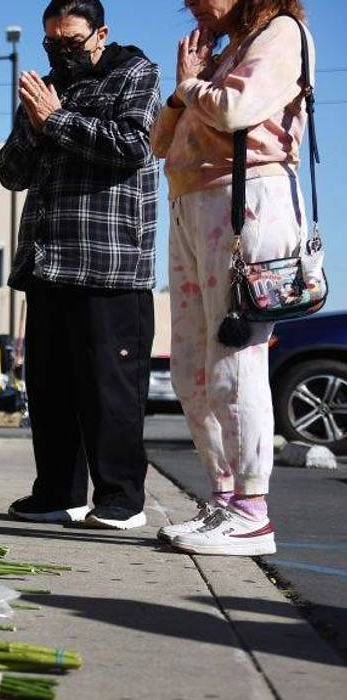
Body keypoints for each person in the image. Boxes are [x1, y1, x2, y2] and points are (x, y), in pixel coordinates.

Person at [153, 0, 314, 556]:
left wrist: (192, 86)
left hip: (247, 203)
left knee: (233, 356)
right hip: (194, 202)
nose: (192, 4)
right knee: (190, 364)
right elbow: (159, 143)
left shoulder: (281, 33)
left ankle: (252, 511)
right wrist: (185, 90)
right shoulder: (228, 52)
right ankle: (224, 500)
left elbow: (235, 109)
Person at [0, 0, 162, 530]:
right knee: (49, 389)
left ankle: (120, 501)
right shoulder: (45, 90)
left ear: (101, 33)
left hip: (109, 262)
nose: (61, 53)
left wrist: (58, 121)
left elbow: (136, 145)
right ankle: (55, 495)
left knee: (109, 389)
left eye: (71, 42)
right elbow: (9, 172)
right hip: (47, 261)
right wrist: (37, 125)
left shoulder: (135, 73)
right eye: (52, 44)